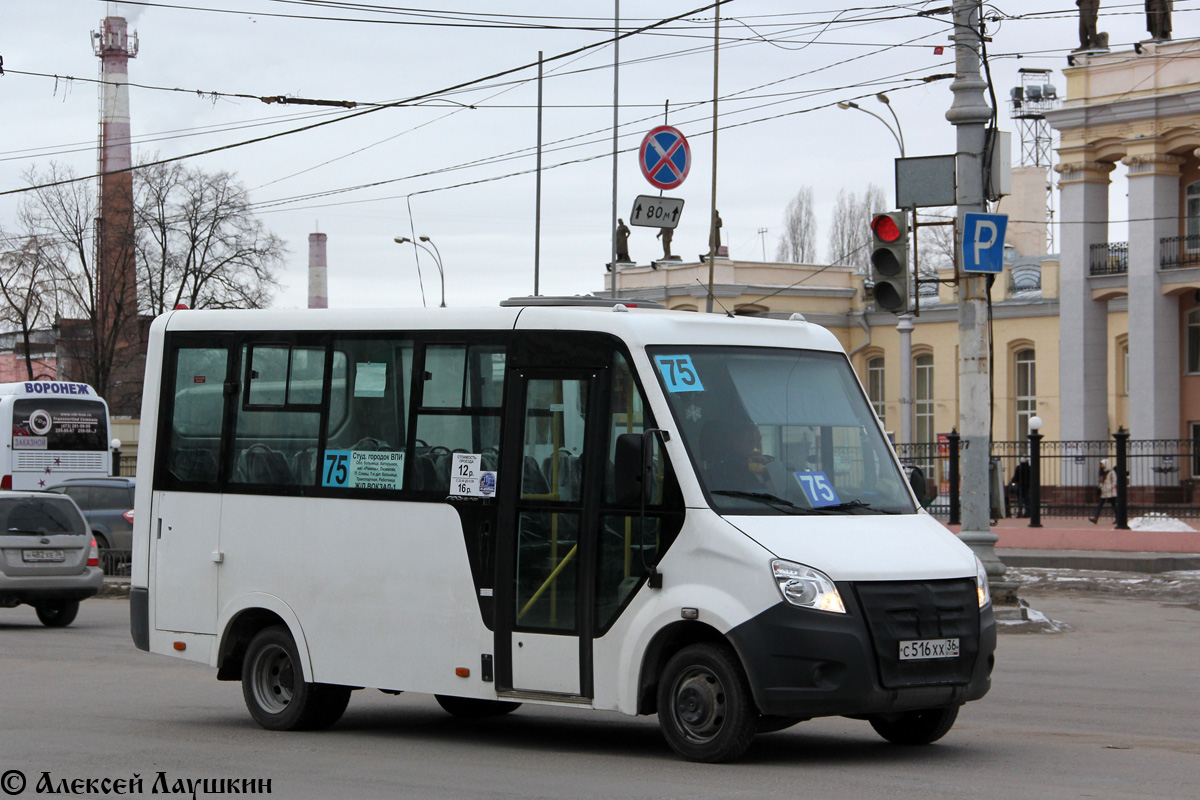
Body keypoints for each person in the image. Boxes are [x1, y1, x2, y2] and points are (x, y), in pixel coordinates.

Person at [701, 421, 774, 494]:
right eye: (750, 441)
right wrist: (767, 483)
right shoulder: (726, 471)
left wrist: (769, 467)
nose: (757, 445)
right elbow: (741, 495)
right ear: (736, 442)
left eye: (759, 440)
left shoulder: (768, 462)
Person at [1089, 459, 1117, 524]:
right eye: (1101, 464)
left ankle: (1118, 518)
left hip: (1110, 491)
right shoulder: (1102, 472)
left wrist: (1110, 487)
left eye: (1102, 464)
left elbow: (1114, 481)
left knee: (1114, 505)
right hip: (1104, 491)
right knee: (1100, 504)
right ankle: (1096, 517)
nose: (1101, 466)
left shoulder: (1111, 472)